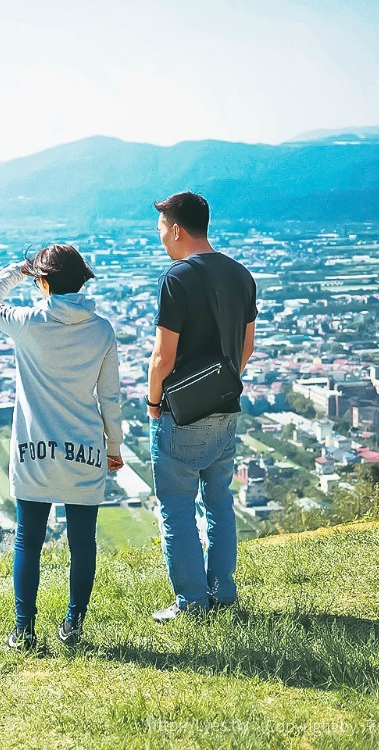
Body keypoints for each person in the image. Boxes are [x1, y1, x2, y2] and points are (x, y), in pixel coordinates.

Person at [0, 243, 124, 651]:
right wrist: (115, 445)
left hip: (33, 450)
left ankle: (24, 630)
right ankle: (73, 624)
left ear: (43, 282)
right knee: (83, 542)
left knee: (28, 539)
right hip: (86, 449)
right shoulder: (102, 329)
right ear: (82, 281)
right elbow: (110, 397)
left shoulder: (27, 322)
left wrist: (18, 270)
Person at [147, 192, 257, 623]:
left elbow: (163, 357)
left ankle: (192, 603)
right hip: (226, 405)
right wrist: (220, 384)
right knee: (219, 500)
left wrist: (154, 402)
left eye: (161, 231)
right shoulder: (241, 274)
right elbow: (246, 347)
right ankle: (223, 594)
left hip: (182, 413)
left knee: (176, 506)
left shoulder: (178, 278)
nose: (161, 239)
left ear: (176, 229)